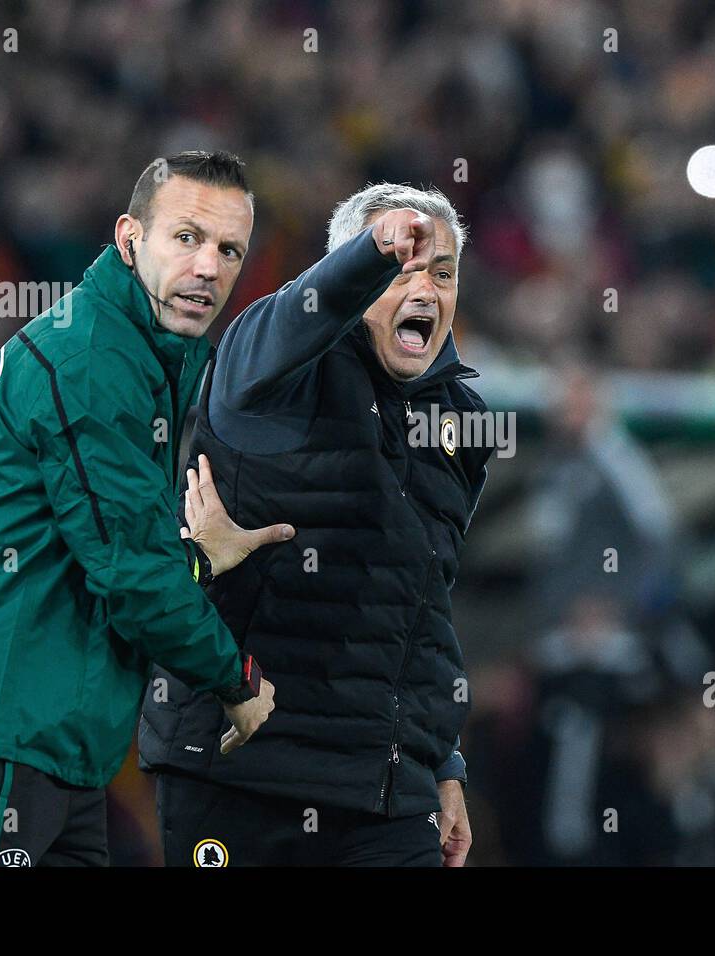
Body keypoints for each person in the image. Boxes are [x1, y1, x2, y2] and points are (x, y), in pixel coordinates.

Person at [0, 150, 292, 867]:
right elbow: (132, 575)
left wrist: (195, 559)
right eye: (187, 237)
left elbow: (100, 555)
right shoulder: (93, 359)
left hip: (54, 741)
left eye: (230, 249)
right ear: (130, 238)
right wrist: (237, 679)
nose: (209, 266)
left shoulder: (137, 355)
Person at [140, 184, 493, 866]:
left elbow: (423, 604)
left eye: (443, 273)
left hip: (382, 794)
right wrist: (371, 251)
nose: (425, 288)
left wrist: (443, 761)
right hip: (243, 772)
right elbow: (304, 314)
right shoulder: (270, 372)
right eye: (401, 269)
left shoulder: (463, 424)